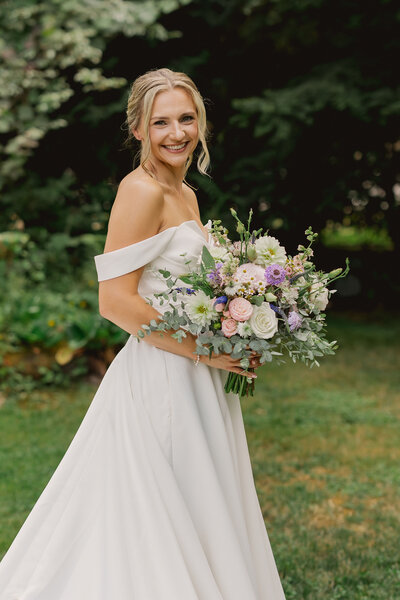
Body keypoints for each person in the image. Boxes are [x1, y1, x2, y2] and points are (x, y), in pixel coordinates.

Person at [0, 68, 286, 599]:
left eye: (186, 118)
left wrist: (237, 332)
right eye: (161, 122)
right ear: (138, 130)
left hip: (200, 378)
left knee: (202, 505)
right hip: (164, 379)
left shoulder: (187, 194)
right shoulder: (141, 191)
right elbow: (115, 301)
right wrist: (206, 350)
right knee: (159, 510)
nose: (176, 132)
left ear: (200, 123)